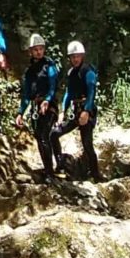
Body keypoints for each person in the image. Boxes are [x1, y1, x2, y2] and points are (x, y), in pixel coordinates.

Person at [49, 39, 101, 182]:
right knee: (54, 134)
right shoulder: (72, 73)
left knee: (87, 144)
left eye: (77, 56)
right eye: (73, 57)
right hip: (75, 112)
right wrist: (62, 112)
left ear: (82, 56)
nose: (75, 59)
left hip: (86, 111)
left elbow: (91, 92)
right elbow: (69, 93)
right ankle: (60, 165)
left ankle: (96, 175)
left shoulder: (88, 71)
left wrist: (86, 111)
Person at [18, 33, 61, 179]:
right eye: (35, 49)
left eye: (41, 49)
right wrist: (20, 113)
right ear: (31, 51)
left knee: (44, 135)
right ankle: (48, 168)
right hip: (36, 107)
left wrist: (47, 100)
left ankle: (51, 172)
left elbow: (53, 85)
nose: (38, 52)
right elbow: (26, 94)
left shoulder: (49, 65)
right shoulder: (29, 71)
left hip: (50, 106)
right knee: (38, 136)